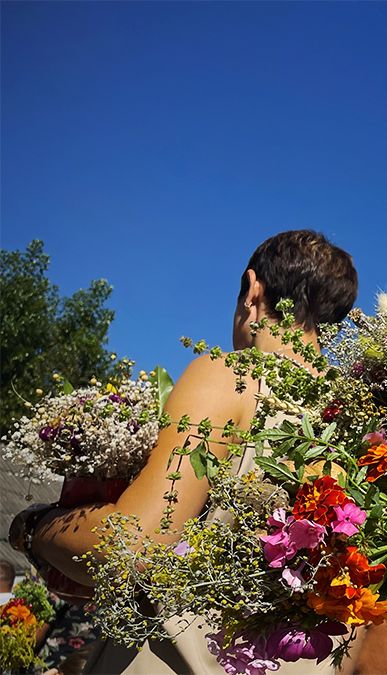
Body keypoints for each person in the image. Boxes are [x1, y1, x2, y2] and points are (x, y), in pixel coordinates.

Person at [8, 229, 358, 674]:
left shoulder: (231, 378)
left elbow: (131, 548)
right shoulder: (356, 426)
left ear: (253, 290)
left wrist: (37, 526)